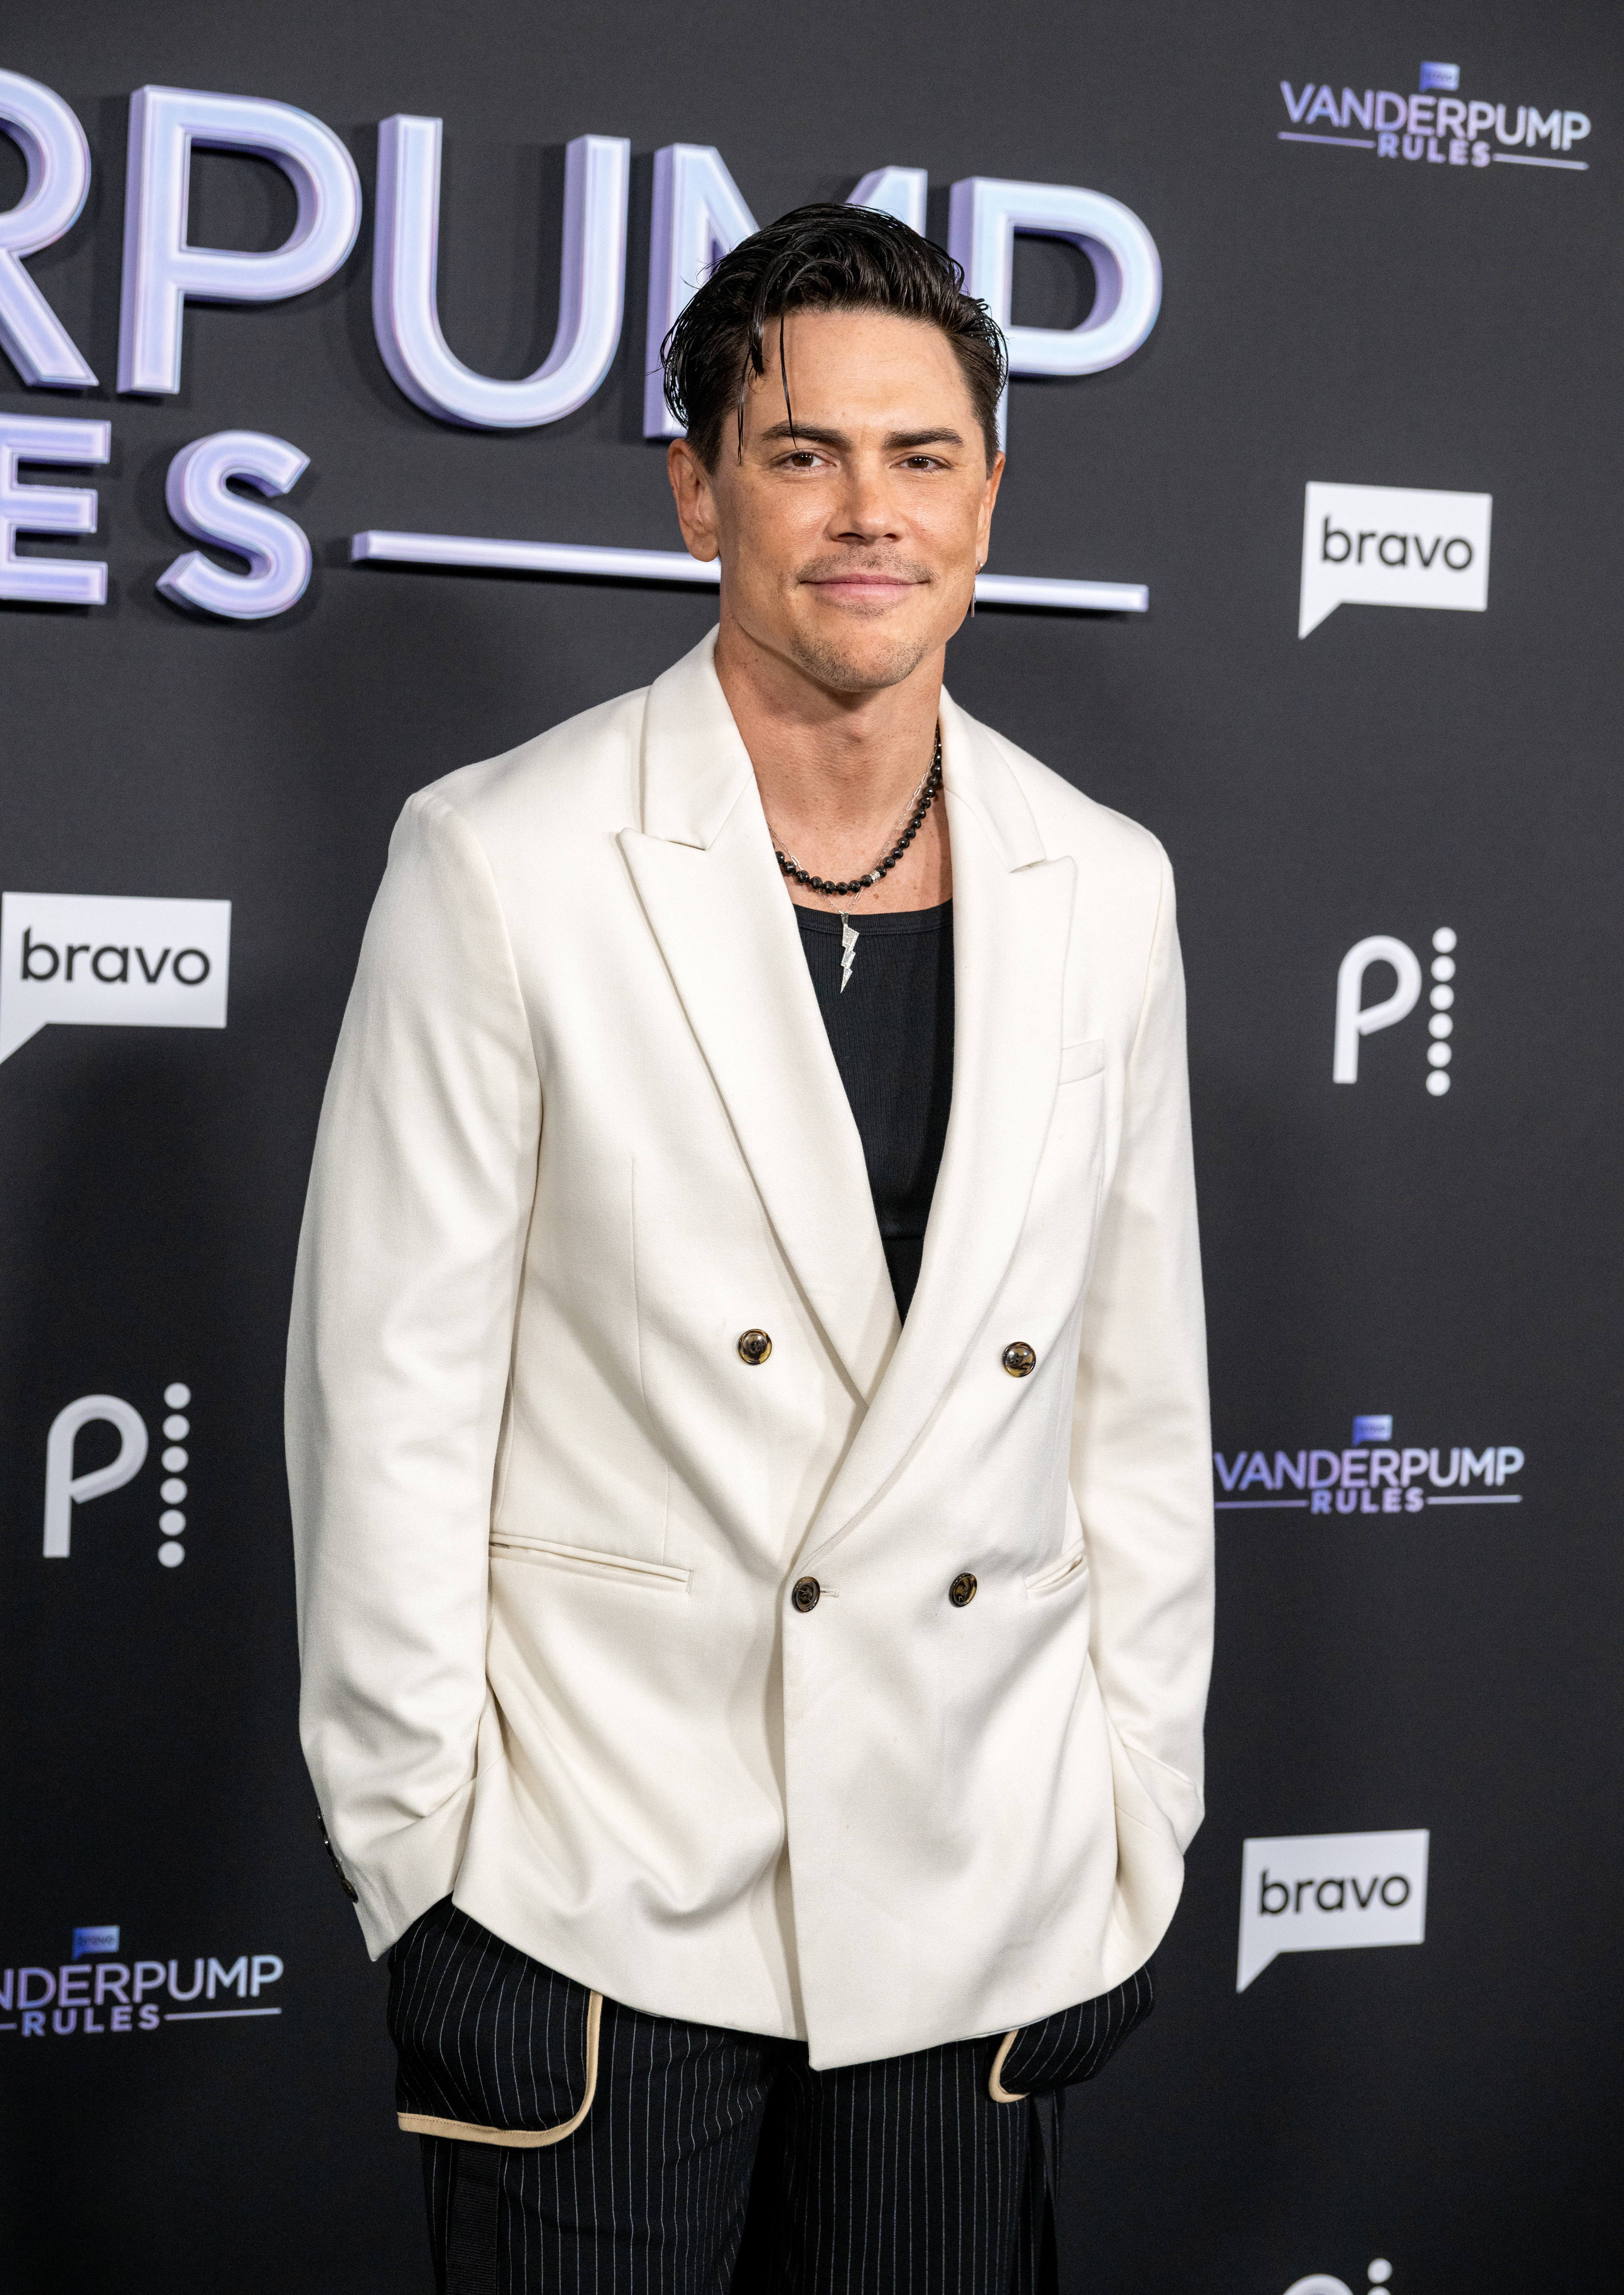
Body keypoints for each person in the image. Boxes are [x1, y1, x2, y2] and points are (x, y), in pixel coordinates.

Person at [287, 203, 1213, 2293]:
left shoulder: (1106, 882)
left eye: (920, 456)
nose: (868, 512)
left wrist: (1130, 1832)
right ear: (699, 491)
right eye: (803, 454)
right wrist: (426, 1877)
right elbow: (389, 1403)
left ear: (987, 495)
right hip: (600, 1900)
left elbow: (1137, 1403)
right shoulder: (505, 858)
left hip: (974, 1899)